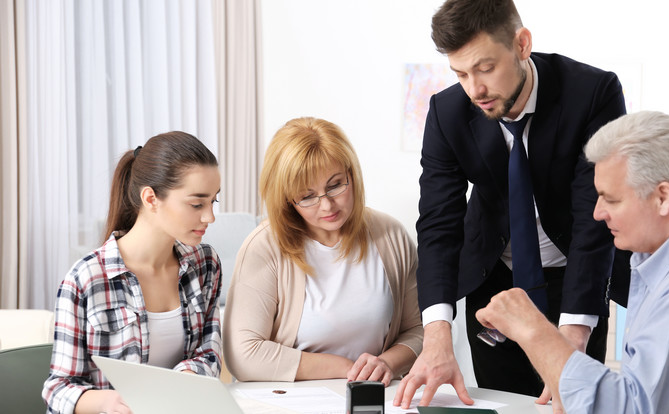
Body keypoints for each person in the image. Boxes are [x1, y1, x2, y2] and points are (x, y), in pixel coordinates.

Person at [395, 0, 631, 409]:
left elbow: (593, 219)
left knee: (572, 403)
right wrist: (436, 336)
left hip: (574, 277)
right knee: (503, 403)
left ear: (521, 44)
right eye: (460, 73)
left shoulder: (593, 94)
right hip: (494, 280)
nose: (475, 90)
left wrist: (572, 337)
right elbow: (438, 224)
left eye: (485, 68)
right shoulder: (447, 112)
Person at [475, 110, 669, 412]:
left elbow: (632, 408)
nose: (598, 213)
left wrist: (534, 331)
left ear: (663, 197)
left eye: (611, 199)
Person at [223, 117, 422, 386]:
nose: (327, 206)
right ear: (286, 200)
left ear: (352, 174)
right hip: (290, 400)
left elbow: (419, 330)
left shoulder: (391, 235)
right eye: (307, 197)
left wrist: (386, 363)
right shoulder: (264, 247)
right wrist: (346, 368)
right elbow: (243, 355)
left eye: (336, 185)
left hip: (372, 396)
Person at [42, 132, 223, 414]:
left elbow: (208, 351)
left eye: (214, 201)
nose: (209, 216)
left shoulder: (205, 264)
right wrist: (108, 401)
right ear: (151, 198)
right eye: (197, 204)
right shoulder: (86, 279)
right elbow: (59, 388)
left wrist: (187, 379)